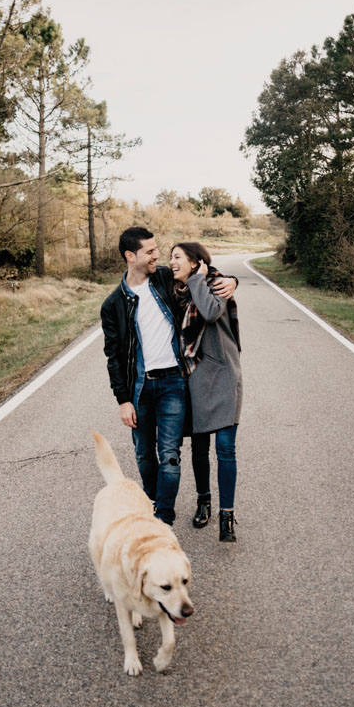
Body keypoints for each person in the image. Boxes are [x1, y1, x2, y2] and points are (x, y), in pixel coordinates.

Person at [100, 227, 236, 527]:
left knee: (170, 456)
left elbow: (199, 269)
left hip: (174, 382)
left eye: (157, 250)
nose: (158, 256)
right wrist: (123, 400)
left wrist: (230, 280)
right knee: (145, 456)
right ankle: (152, 501)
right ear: (130, 256)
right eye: (150, 251)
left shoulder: (163, 279)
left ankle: (163, 519)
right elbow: (114, 358)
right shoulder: (113, 305)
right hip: (140, 388)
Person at [169, 242, 242, 543]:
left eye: (177, 257)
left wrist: (209, 278)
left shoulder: (216, 286)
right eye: (170, 257)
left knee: (225, 448)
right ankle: (204, 501)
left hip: (224, 376)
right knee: (199, 448)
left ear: (195, 262)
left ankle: (227, 515)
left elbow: (210, 313)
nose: (171, 262)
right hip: (194, 376)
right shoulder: (176, 290)